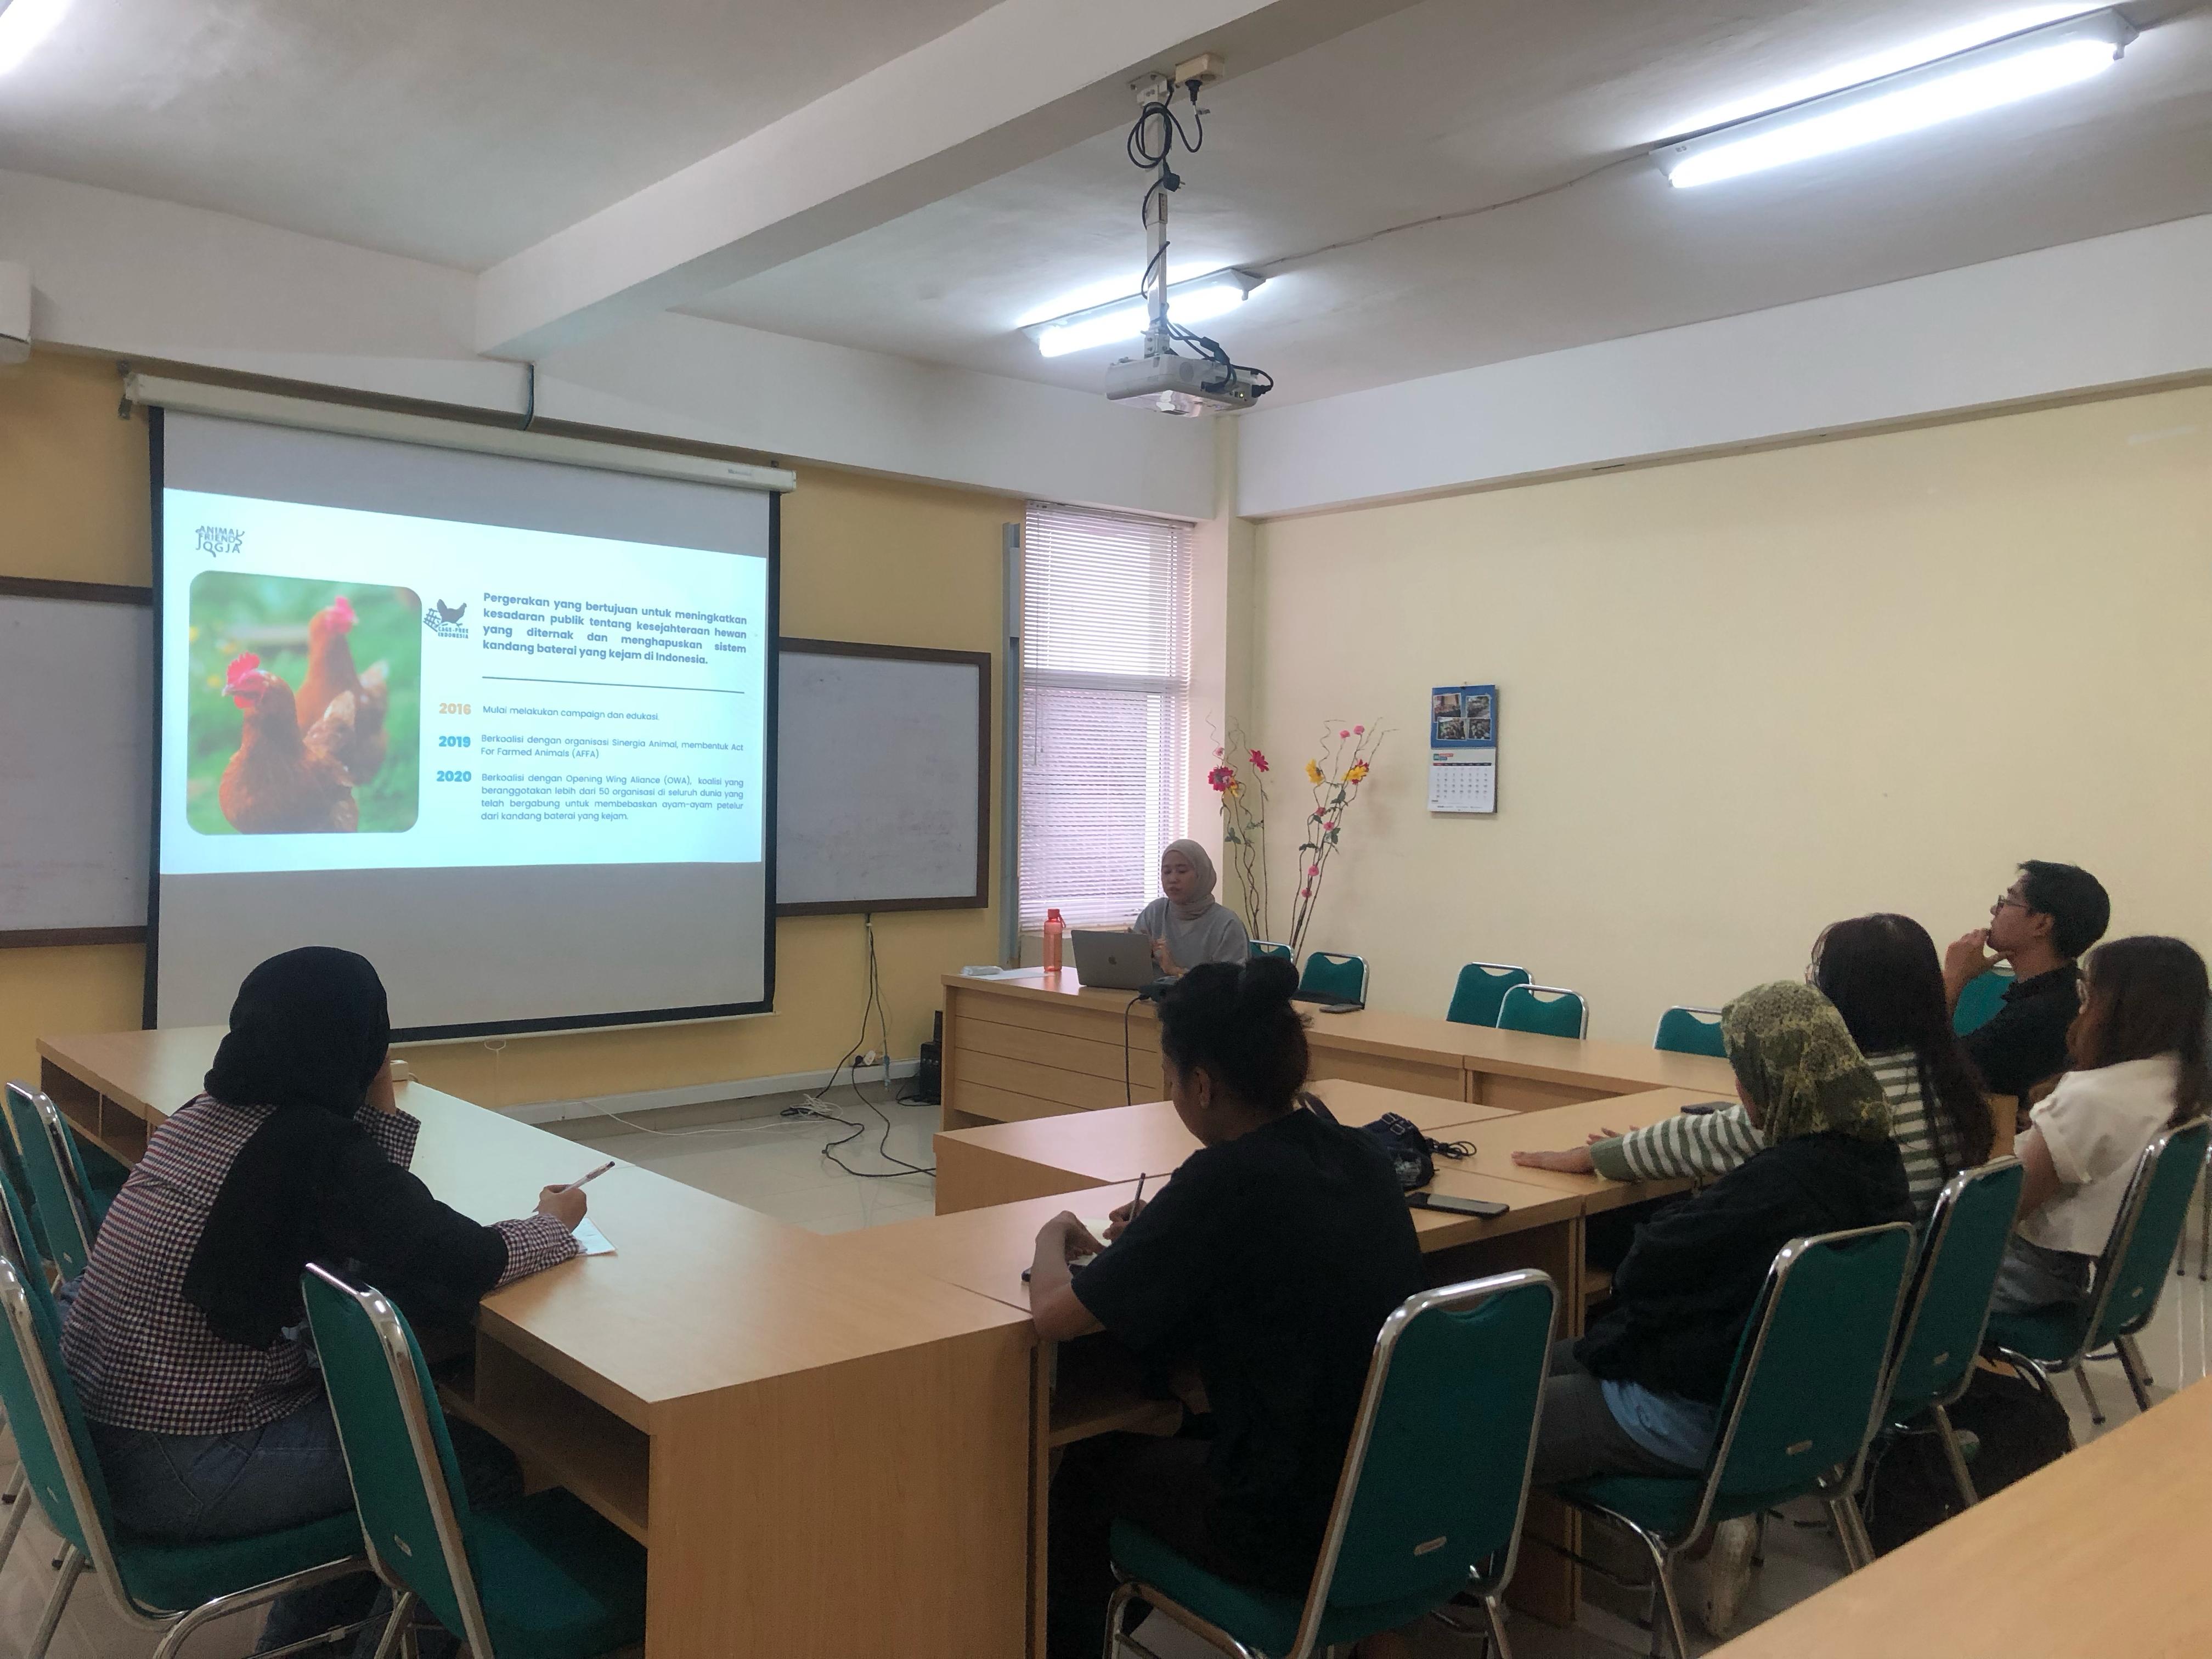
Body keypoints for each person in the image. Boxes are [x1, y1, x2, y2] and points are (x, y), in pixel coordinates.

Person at [60, 947, 585, 1656]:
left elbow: (371, 1210)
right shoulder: (312, 1148)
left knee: (381, 1424)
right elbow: (458, 1258)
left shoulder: (208, 1114)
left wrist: (372, 1095)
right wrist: (552, 1225)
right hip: (180, 1466)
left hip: (97, 1440)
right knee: (471, 1466)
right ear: (366, 1041)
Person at [1030, 957, 1423, 1659]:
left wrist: (1054, 1230)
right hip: (1389, 1497)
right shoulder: (1360, 1155)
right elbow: (1273, 1253)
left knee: (1088, 1471)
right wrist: (1166, 1234)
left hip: (1288, 1521)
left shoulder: (1221, 1180)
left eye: (1170, 1075)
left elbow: (1055, 1316)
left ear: (1202, 1085)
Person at [1531, 982, 1911, 1636]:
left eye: (1743, 1075)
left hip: (1689, 1416)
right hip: (1794, 1410)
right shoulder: (1878, 1163)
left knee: (1468, 1417)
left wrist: (1684, 1211)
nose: (1739, 1091)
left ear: (1775, 1081)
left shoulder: (1780, 1183)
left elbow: (1644, 1270)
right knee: (1534, 1360)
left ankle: (1409, 1602)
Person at [1514, 914, 1992, 1221]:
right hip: (1890, 1307)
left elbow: (1709, 1137)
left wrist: (1598, 1155)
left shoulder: (1841, 1102)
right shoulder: (1946, 1078)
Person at [1988, 935, 2210, 1316]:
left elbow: (2003, 1211)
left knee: (1882, 1281)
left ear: (2119, 1006)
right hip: (2075, 1271)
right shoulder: (2179, 1080)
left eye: (2088, 991)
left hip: (2025, 1273)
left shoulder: (2094, 1097)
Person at [1944, 861, 2110, 1102]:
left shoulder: (2039, 1014)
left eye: (2007, 902)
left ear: (2041, 924)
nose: (1994, 909)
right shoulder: (2071, 993)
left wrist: (1954, 979)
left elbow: (1936, 1073)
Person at [1131, 838, 1250, 975]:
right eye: (1167, 872)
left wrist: (1175, 971)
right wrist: (1136, 952)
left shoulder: (1227, 924)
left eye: (1182, 871)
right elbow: (1132, 970)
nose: (1173, 879)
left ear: (1201, 874)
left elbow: (1229, 986)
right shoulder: (1154, 912)